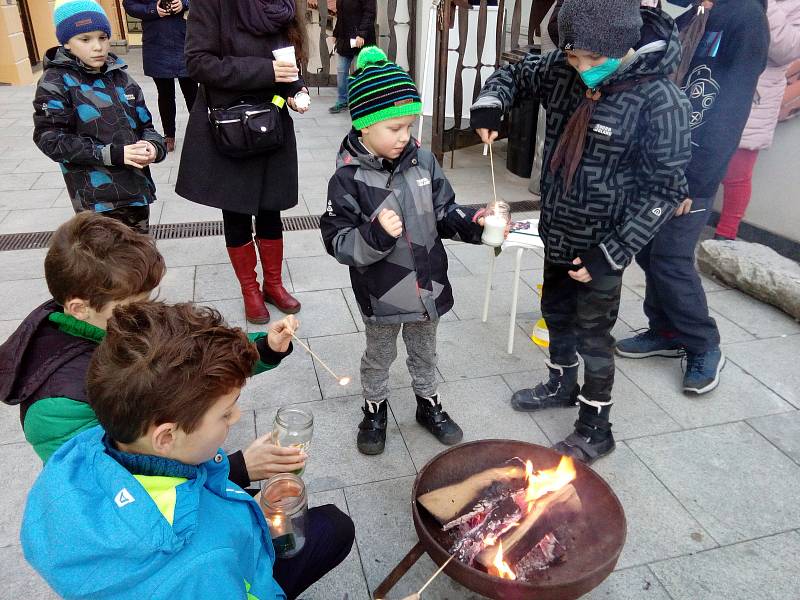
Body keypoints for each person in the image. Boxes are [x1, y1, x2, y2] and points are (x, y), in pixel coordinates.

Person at [471, 0, 692, 463]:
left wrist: (610, 254)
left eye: (593, 59)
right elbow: (515, 74)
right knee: (554, 313)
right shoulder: (562, 70)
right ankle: (560, 382)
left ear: (623, 46)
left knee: (595, 334)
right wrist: (491, 104)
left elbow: (666, 192)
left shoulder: (660, 100)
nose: (581, 68)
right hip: (559, 229)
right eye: (574, 57)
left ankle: (596, 424)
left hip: (604, 246)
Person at [20, 301, 354, 599]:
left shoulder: (87, 444)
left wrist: (242, 499)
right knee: (337, 527)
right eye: (225, 413)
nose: (237, 417)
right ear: (165, 437)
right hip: (234, 570)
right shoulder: (200, 567)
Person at [0, 212, 305, 492]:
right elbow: (114, 489)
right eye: (134, 302)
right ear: (79, 308)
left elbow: (198, 356)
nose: (147, 310)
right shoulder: (57, 404)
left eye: (148, 297)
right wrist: (236, 468)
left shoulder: (123, 322)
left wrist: (264, 348)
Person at [321, 47, 491, 455]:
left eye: (409, 125)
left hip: (427, 285)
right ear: (364, 126)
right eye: (394, 128)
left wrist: (471, 222)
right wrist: (376, 234)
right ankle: (374, 408)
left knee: (425, 353)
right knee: (379, 355)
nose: (405, 136)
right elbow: (337, 240)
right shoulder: (347, 179)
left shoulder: (425, 163)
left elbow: (444, 210)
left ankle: (427, 404)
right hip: (381, 292)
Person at [616, 0, 769, 395]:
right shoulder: (688, 14)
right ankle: (665, 330)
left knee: (669, 257)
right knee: (648, 251)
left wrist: (692, 180)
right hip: (660, 158)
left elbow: (730, 112)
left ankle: (703, 344)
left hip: (694, 167)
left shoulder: (745, 18)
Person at [176, 0, 310, 325]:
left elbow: (286, 60)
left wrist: (296, 88)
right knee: (236, 212)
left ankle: (274, 285)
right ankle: (250, 290)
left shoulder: (281, 5)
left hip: (271, 123)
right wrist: (265, 71)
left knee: (271, 209)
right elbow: (198, 63)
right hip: (230, 126)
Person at [32, 0, 167, 234]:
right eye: (85, 39)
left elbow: (147, 126)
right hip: (96, 203)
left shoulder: (122, 79)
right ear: (66, 42)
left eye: (103, 37)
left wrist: (154, 147)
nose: (98, 47)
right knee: (106, 265)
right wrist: (112, 153)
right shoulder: (55, 81)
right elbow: (50, 139)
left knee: (140, 262)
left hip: (136, 194)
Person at [716, 0, 800, 240]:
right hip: (720, 79)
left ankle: (725, 236)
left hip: (758, 94)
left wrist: (765, 4)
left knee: (737, 173)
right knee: (696, 160)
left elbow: (786, 48)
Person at [122, 0, 199, 153]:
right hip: (157, 43)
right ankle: (169, 135)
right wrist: (153, 10)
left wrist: (183, 4)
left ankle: (201, 132)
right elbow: (129, 5)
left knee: (193, 93)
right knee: (165, 94)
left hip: (185, 39)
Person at [328, 0, 377, 114]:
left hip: (362, 39)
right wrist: (336, 33)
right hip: (345, 40)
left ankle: (364, 102)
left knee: (362, 72)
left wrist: (362, 34)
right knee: (341, 70)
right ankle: (342, 101)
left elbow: (369, 13)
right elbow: (340, 16)